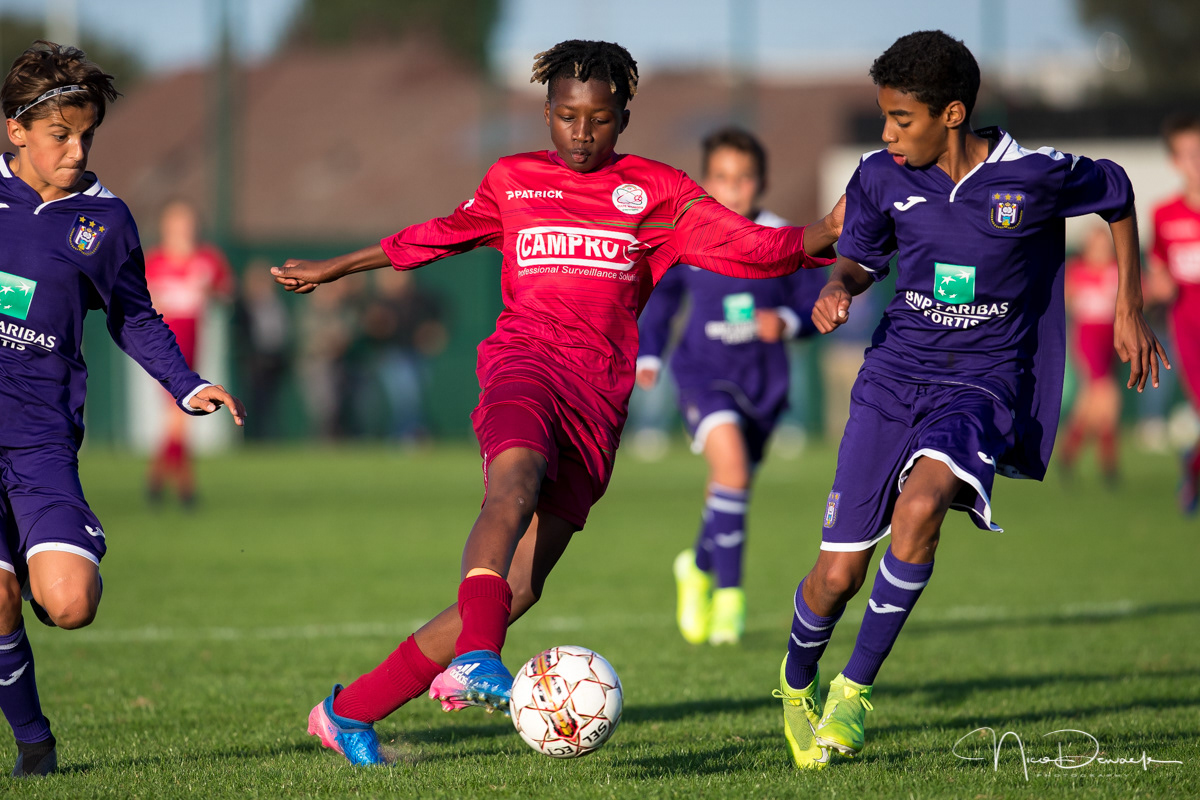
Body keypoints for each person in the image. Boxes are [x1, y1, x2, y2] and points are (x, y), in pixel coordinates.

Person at [271, 39, 842, 767]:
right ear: (545, 112)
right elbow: (436, 236)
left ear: (624, 116)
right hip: (524, 365)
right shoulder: (512, 181)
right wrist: (337, 266)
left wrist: (822, 234)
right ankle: (479, 656)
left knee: (519, 588)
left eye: (599, 118)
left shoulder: (658, 192)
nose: (581, 132)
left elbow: (750, 247)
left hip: (596, 398)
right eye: (567, 116)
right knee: (513, 484)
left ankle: (346, 711)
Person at [774, 30, 1168, 770]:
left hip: (983, 383)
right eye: (884, 119)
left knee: (922, 509)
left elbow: (1117, 192)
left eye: (903, 120)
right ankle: (796, 687)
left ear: (952, 114)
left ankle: (854, 691)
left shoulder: (1036, 175)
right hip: (892, 380)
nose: (888, 134)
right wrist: (836, 285)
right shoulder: (879, 177)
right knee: (835, 578)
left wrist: (1129, 304)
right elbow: (859, 260)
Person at [0, 41, 244, 777]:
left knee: (70, 604)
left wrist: (186, 383)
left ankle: (44, 567)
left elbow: (134, 317)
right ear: (15, 130)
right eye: (60, 136)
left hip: (42, 444)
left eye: (87, 136)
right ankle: (34, 744)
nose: (77, 151)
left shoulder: (104, 222)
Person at [636, 127, 826, 646]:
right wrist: (650, 351)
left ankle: (696, 567)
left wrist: (787, 321)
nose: (733, 188)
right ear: (706, 181)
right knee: (733, 472)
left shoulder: (785, 237)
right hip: (702, 372)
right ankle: (729, 599)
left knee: (729, 486)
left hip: (764, 381)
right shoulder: (690, 235)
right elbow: (661, 294)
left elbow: (820, 299)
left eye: (743, 178)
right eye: (721, 177)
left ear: (760, 182)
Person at [143, 200, 234, 506]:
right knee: (177, 414)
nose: (184, 228)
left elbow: (226, 291)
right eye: (177, 221)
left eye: (188, 221)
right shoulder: (153, 261)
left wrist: (210, 292)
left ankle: (161, 480)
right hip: (163, 343)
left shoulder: (207, 259)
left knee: (177, 415)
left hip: (193, 341)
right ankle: (182, 485)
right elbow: (138, 300)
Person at [1148, 113, 1200, 513]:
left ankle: (1193, 463)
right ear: (1174, 161)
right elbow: (1159, 276)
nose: (1196, 160)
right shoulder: (1165, 215)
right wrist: (1156, 287)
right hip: (1189, 326)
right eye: (1187, 154)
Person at [1059, 226, 1122, 483]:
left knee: (1090, 402)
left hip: (1111, 339)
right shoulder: (1077, 271)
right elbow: (1064, 301)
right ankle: (1108, 462)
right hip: (1087, 338)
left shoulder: (1117, 271)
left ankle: (1068, 454)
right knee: (1108, 396)